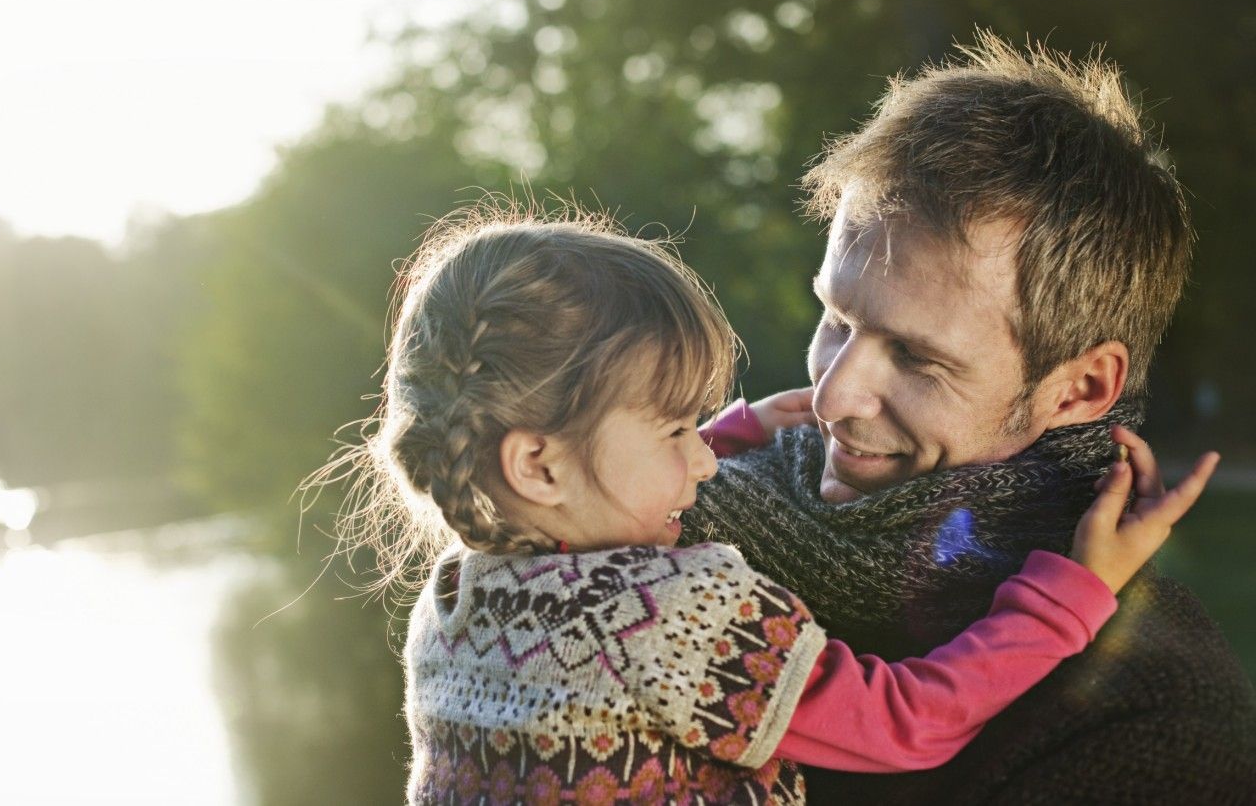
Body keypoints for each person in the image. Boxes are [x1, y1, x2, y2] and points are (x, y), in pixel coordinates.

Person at [324, 203, 1216, 804]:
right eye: (678, 430)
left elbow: (617, 463)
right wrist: (1073, 588)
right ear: (538, 466)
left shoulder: (455, 607)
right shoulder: (668, 616)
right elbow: (909, 719)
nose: (704, 465)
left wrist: (742, 424)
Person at [682, 32, 1256, 803]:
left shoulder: (1141, 708)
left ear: (1081, 388)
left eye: (917, 358)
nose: (831, 397)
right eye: (836, 320)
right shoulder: (671, 519)